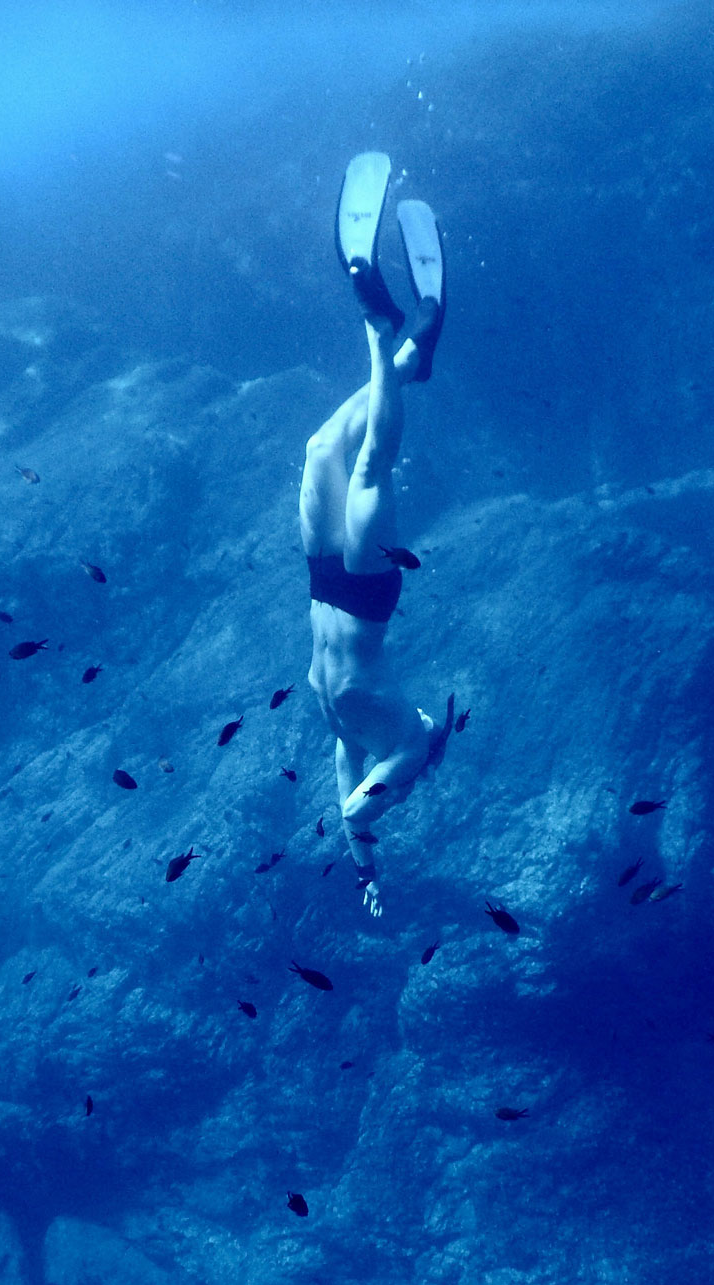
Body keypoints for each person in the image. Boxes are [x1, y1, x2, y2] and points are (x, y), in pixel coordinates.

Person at [300, 152, 451, 917]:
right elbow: (361, 806)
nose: (427, 714)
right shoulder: (410, 746)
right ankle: (390, 337)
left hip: (325, 580)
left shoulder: (359, 736)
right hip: (365, 594)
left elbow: (345, 799)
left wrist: (366, 874)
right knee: (367, 468)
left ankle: (402, 353)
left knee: (320, 451)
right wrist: (367, 824)